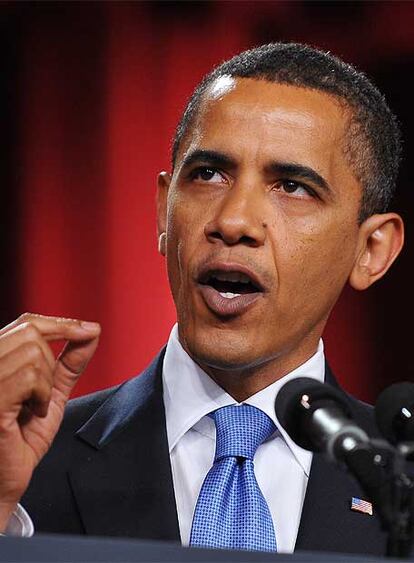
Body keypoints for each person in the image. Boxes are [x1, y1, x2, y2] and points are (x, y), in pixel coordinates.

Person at [0, 42, 405, 555]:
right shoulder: (23, 462)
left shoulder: (400, 479)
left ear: (370, 250)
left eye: (292, 186)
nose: (232, 221)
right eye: (208, 174)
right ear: (164, 214)